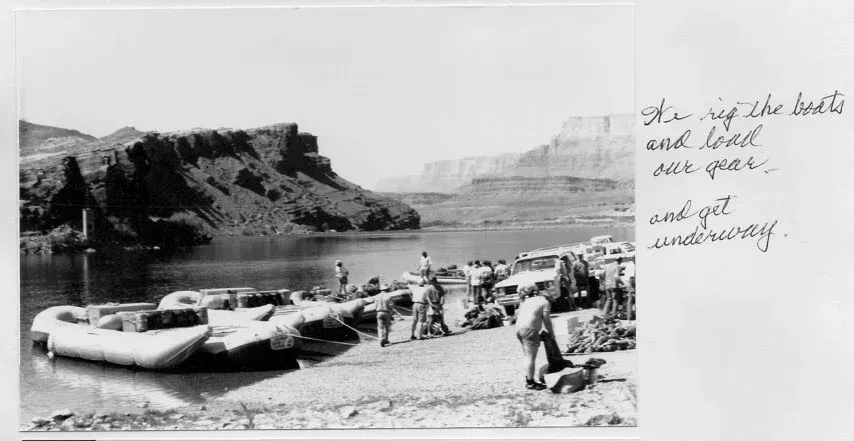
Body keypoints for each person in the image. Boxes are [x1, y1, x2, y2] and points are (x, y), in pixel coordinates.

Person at [514, 280, 554, 390]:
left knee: (527, 356)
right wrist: (552, 334)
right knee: (531, 357)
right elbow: (547, 321)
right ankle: (530, 382)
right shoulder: (544, 302)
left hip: (519, 329)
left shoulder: (527, 301)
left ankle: (528, 378)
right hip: (529, 330)